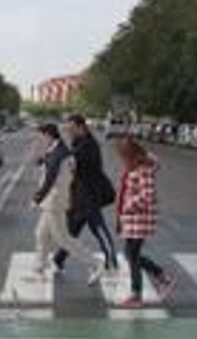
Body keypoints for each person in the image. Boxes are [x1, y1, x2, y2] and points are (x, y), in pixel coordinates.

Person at [33, 123, 102, 282]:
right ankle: (40, 268)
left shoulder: (59, 153)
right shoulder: (57, 151)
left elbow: (50, 178)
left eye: (41, 137)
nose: (39, 140)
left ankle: (96, 263)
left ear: (49, 135)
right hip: (53, 199)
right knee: (41, 234)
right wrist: (40, 153)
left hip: (54, 200)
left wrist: (37, 198)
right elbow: (43, 164)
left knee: (62, 238)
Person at [112, 135, 174, 308]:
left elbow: (148, 195)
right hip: (133, 218)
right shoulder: (136, 167)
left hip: (138, 217)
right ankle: (161, 277)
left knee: (132, 254)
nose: (121, 158)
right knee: (132, 254)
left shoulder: (143, 170)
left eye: (123, 155)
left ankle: (137, 294)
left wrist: (128, 206)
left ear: (131, 154)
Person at [60, 114, 118, 272]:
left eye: (71, 128)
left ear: (81, 127)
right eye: (68, 128)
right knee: (70, 233)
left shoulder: (89, 145)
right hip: (79, 197)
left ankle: (112, 260)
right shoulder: (78, 142)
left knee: (99, 230)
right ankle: (59, 260)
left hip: (90, 197)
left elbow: (72, 162)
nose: (69, 132)